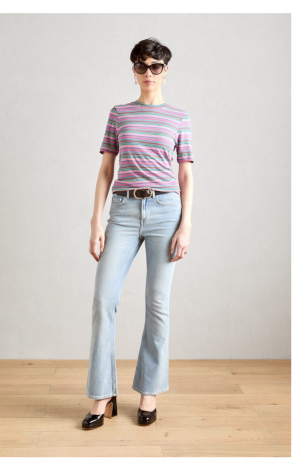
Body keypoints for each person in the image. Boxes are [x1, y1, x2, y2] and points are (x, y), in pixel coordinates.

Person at [82, 37, 194, 429]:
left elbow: (185, 174)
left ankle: (149, 390)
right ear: (133, 71)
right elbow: (106, 170)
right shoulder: (119, 114)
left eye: (155, 66)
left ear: (165, 71)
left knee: (157, 303)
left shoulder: (179, 117)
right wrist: (96, 222)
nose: (149, 73)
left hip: (166, 211)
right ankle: (102, 394)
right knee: (103, 300)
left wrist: (186, 224)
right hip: (124, 211)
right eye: (141, 66)